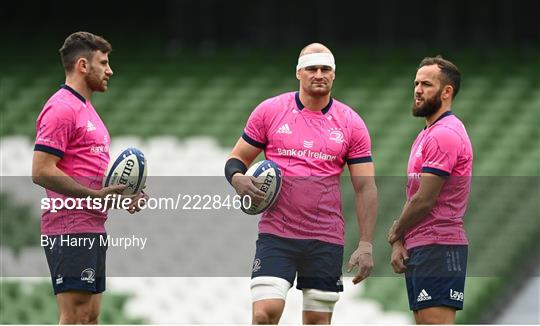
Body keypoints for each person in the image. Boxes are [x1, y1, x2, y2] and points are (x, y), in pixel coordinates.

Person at [224, 43, 378, 324]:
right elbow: (236, 159)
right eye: (312, 68)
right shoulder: (269, 111)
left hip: (325, 237)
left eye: (325, 69)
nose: (319, 74)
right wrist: (237, 179)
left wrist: (366, 244)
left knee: (317, 322)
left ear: (333, 75)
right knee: (263, 315)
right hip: (277, 234)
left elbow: (365, 187)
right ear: (299, 73)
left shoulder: (351, 123)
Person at [32, 31, 146, 324]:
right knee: (75, 315)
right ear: (83, 65)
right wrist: (93, 196)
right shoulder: (61, 107)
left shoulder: (87, 111)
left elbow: (92, 176)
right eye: (104, 62)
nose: (110, 70)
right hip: (69, 226)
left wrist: (126, 194)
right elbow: (42, 170)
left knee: (91, 316)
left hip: (92, 225)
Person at [387, 56, 473, 324]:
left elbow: (425, 199)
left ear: (447, 91)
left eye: (426, 84)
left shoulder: (445, 134)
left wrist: (394, 233)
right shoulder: (426, 134)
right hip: (422, 244)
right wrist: (401, 241)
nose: (417, 90)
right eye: (416, 83)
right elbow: (413, 195)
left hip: (440, 244)